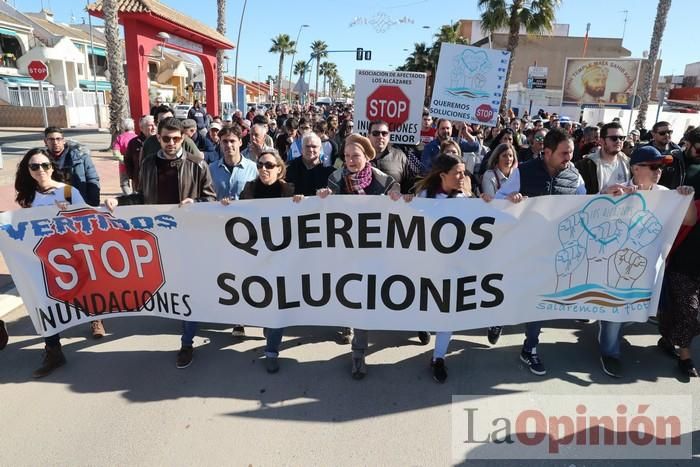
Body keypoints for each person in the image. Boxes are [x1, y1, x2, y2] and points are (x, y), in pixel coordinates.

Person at [106, 117, 216, 369]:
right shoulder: (147, 164)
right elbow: (141, 197)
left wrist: (195, 203)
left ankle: (186, 342)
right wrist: (118, 202)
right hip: (159, 238)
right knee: (169, 285)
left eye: (176, 138)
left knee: (189, 289)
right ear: (158, 138)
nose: (170, 143)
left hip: (189, 238)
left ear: (183, 139)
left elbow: (211, 200)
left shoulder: (198, 164)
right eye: (166, 138)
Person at [597, 146, 697, 377]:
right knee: (615, 311)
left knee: (637, 311)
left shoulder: (666, 194)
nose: (658, 171)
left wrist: (687, 197)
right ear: (635, 168)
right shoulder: (617, 188)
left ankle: (608, 328)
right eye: (653, 167)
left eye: (660, 167)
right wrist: (605, 197)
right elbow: (593, 216)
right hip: (615, 265)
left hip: (647, 268)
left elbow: (690, 220)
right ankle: (610, 352)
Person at [494, 128, 586, 375]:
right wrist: (509, 199)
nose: (569, 158)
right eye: (564, 153)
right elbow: (497, 201)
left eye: (571, 153)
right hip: (521, 249)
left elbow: (585, 206)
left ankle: (530, 348)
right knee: (511, 290)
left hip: (552, 252)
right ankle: (497, 318)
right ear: (546, 152)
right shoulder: (522, 172)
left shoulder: (575, 178)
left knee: (539, 301)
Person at [316, 134, 404, 379]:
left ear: (367, 156)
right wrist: (322, 199)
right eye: (346, 156)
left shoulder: (385, 182)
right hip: (343, 252)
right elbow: (324, 214)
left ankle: (358, 353)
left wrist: (399, 200)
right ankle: (346, 322)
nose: (350, 161)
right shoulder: (335, 179)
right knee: (346, 295)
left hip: (372, 252)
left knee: (363, 302)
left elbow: (400, 214)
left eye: (355, 156)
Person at [409, 153, 490, 382]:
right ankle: (422, 324)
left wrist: (485, 202)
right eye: (458, 173)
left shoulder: (465, 199)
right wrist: (402, 202)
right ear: (443, 175)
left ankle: (438, 358)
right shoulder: (424, 196)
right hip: (427, 266)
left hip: (454, 267)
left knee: (448, 314)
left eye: (463, 172)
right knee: (425, 305)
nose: (463, 176)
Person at [225, 149, 302, 373]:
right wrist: (229, 205)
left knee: (278, 305)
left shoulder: (289, 191)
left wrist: (301, 203)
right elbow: (240, 216)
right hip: (254, 255)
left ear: (279, 168)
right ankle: (264, 328)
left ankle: (271, 351)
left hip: (281, 257)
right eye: (260, 165)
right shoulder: (250, 188)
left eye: (269, 165)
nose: (263, 169)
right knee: (260, 299)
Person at [14, 148, 87, 377]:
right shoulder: (28, 197)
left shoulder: (67, 191)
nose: (40, 170)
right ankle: (53, 350)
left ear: (52, 167)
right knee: (44, 303)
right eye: (34, 166)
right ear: (28, 170)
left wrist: (69, 214)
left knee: (83, 295)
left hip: (71, 257)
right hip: (41, 259)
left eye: (44, 165)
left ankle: (96, 319)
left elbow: (87, 222)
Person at [43, 126, 100, 207]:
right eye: (51, 139)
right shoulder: (41, 160)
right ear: (45, 141)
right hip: (55, 205)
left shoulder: (81, 157)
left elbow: (92, 180)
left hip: (80, 202)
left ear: (63, 140)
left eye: (58, 139)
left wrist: (93, 203)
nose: (55, 142)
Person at [576, 122, 631, 194]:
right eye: (613, 138)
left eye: (621, 138)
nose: (618, 141)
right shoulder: (586, 166)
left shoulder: (629, 163)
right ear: (602, 141)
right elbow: (580, 198)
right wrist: (603, 194)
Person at [367, 120, 416, 193]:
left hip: (393, 203)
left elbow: (410, 183)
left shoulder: (400, 156)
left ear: (389, 137)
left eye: (384, 133)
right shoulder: (359, 156)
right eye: (375, 133)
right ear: (368, 136)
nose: (380, 137)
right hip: (365, 203)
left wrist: (408, 193)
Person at [125, 115, 156, 191]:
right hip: (140, 182)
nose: (154, 127)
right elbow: (128, 160)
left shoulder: (161, 141)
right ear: (142, 128)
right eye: (150, 125)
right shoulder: (134, 142)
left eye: (155, 124)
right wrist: (133, 176)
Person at [112, 117, 138, 195]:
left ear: (123, 127)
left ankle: (129, 196)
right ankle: (136, 196)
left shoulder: (119, 138)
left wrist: (123, 160)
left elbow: (116, 153)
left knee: (124, 184)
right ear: (133, 127)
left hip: (124, 166)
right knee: (135, 182)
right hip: (135, 165)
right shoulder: (136, 137)